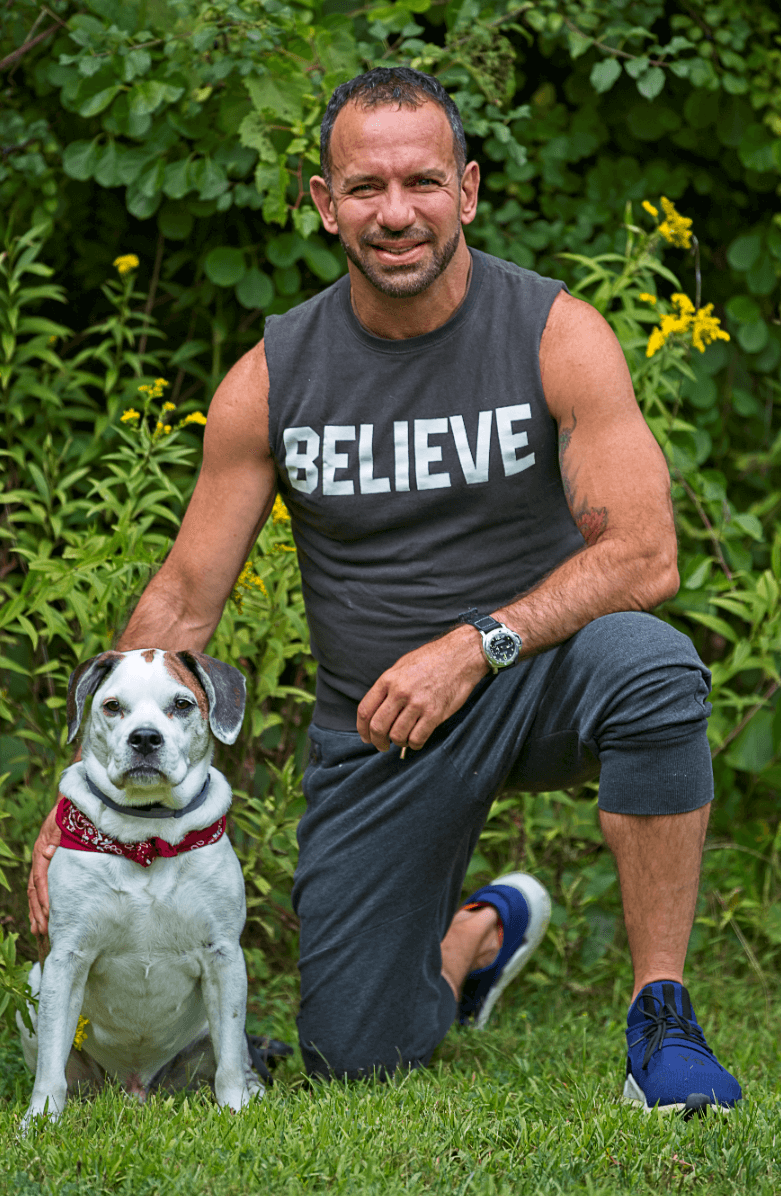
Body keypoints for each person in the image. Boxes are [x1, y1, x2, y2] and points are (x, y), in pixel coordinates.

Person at [29, 67, 741, 1113]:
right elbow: (183, 602)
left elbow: (644, 554)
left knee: (655, 663)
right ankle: (475, 939)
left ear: (468, 189)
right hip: (380, 725)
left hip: (533, 671)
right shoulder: (273, 376)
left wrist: (474, 643)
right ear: (325, 203)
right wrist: (71, 801)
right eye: (365, 187)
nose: (396, 212)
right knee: (355, 1048)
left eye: (422, 181)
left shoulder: (553, 331)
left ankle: (662, 1019)